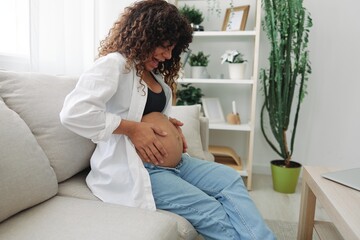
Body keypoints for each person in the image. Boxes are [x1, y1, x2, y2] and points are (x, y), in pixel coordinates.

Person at [60, 0, 275, 239]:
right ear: (145, 36)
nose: (168, 55)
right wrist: (132, 129)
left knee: (230, 180)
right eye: (164, 46)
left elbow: (148, 112)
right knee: (209, 208)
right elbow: (74, 113)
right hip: (140, 169)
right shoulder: (115, 64)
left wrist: (170, 127)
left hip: (178, 163)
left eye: (173, 48)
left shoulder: (153, 73)